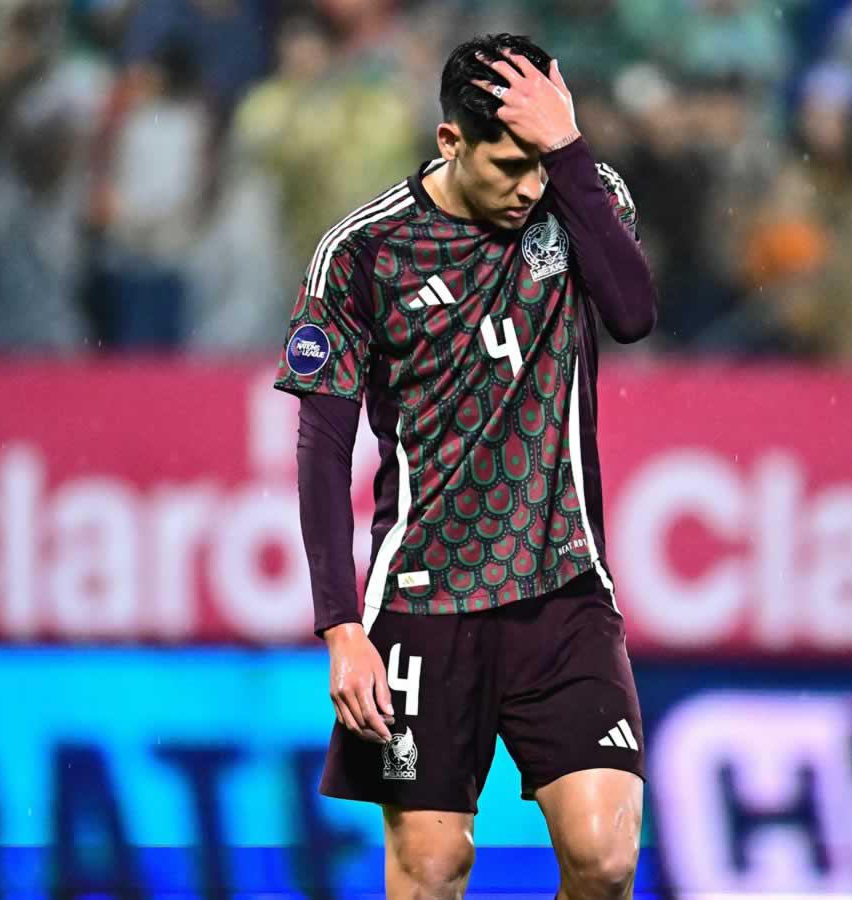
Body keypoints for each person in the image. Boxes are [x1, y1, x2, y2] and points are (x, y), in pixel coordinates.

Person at [273, 33, 656, 900]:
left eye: (542, 161)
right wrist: (341, 630)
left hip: (562, 587)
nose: (530, 187)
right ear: (450, 141)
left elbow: (632, 313)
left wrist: (571, 152)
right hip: (422, 600)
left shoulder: (581, 198)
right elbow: (323, 448)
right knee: (432, 867)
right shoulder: (362, 254)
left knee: (605, 858)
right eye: (511, 163)